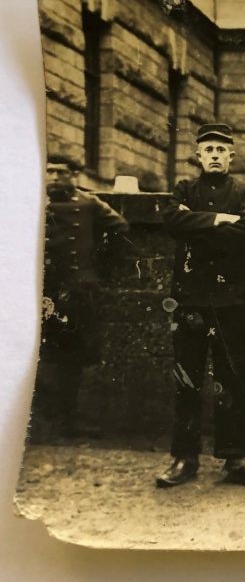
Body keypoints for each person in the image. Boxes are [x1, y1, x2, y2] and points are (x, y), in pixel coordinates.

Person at [157, 123, 245, 489]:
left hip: (232, 304)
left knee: (233, 382)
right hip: (191, 301)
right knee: (187, 381)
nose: (213, 155)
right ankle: (185, 458)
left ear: (231, 156)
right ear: (198, 155)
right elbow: (171, 219)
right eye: (207, 149)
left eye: (220, 150)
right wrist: (220, 221)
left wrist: (200, 228)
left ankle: (237, 460)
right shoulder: (184, 189)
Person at [35, 153, 129, 440]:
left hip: (76, 289)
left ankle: (67, 422)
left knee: (71, 358)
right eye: (49, 171)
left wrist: (97, 266)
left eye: (61, 172)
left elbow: (120, 228)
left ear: (74, 175)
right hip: (36, 289)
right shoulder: (29, 198)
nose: (53, 177)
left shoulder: (88, 203)